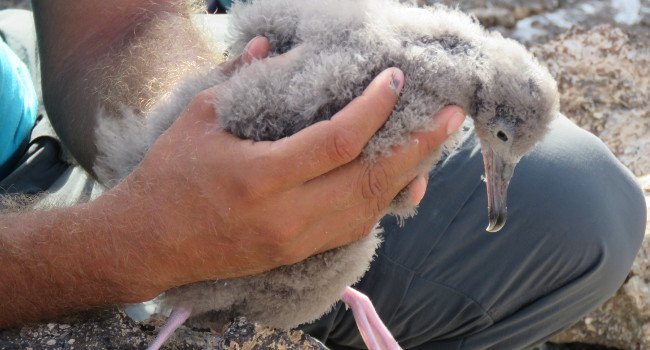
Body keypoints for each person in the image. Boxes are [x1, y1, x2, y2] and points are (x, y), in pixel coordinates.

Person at [0, 2, 646, 349]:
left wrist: (203, 128)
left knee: (577, 208)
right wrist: (115, 246)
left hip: (32, 112)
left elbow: (115, 25)